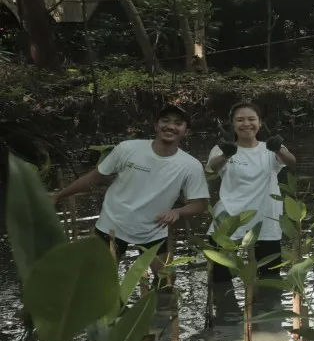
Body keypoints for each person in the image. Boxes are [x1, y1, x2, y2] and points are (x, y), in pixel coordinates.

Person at [53, 104, 210, 285]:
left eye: (178, 123)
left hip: (154, 231)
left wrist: (177, 212)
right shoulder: (127, 149)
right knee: (97, 284)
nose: (170, 126)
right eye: (165, 121)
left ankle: (158, 312)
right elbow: (94, 177)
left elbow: (200, 204)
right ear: (155, 126)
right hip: (111, 226)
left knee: (166, 285)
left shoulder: (190, 165)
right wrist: (59, 195)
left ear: (186, 131)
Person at [206, 102, 296, 282]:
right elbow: (211, 169)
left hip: (266, 218)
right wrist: (226, 155)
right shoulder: (223, 148)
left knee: (270, 277)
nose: (246, 124)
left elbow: (291, 162)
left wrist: (278, 148)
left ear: (260, 122)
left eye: (251, 119)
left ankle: (263, 308)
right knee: (220, 277)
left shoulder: (270, 147)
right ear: (232, 124)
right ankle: (227, 310)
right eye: (240, 120)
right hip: (229, 217)